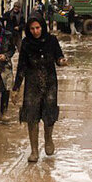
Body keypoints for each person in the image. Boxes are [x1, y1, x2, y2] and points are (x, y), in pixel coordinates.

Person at [12, 16, 67, 162]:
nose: (35, 31)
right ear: (28, 30)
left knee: (49, 114)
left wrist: (62, 61)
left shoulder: (52, 41)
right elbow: (21, 67)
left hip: (50, 83)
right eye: (32, 29)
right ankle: (34, 151)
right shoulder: (26, 43)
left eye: (38, 28)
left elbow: (59, 57)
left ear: (42, 27)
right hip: (32, 84)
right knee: (31, 116)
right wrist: (16, 88)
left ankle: (48, 139)